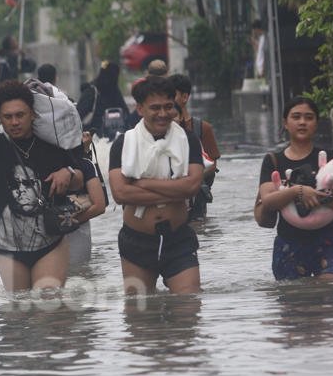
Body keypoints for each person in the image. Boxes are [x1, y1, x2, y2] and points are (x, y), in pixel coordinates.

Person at [0, 79, 83, 291]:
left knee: (48, 308)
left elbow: (82, 180)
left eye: (20, 115)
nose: (14, 122)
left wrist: (68, 173)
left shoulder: (53, 142)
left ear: (33, 115)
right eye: (7, 117)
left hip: (50, 241)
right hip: (8, 246)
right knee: (17, 312)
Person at [107, 76, 205, 295]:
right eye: (155, 108)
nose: (163, 114)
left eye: (168, 107)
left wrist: (143, 183)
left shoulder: (187, 140)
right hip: (136, 241)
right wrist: (174, 191)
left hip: (178, 237)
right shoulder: (123, 143)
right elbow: (120, 193)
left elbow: (192, 187)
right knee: (139, 316)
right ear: (140, 109)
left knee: (189, 306)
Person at [256, 97, 333, 281]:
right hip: (289, 242)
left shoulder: (332, 159)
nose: (302, 122)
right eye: (296, 117)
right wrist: (297, 192)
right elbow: (268, 201)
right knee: (295, 301)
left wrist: (320, 197)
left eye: (309, 117)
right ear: (285, 123)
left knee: (331, 296)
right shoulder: (273, 161)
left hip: (329, 240)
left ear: (316, 123)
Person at [170, 73, 221, 221]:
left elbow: (212, 165)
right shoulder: (160, 129)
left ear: (184, 97)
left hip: (197, 202)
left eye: (172, 95)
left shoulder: (202, 128)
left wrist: (189, 177)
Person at [66, 156, 108, 265]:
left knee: (80, 273)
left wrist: (68, 222)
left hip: (77, 228)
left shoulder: (85, 164)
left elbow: (99, 206)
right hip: (46, 231)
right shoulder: (40, 160)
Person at [76, 61, 129, 138]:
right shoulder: (92, 92)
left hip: (114, 139)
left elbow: (126, 115)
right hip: (93, 140)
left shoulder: (115, 92)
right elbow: (78, 116)